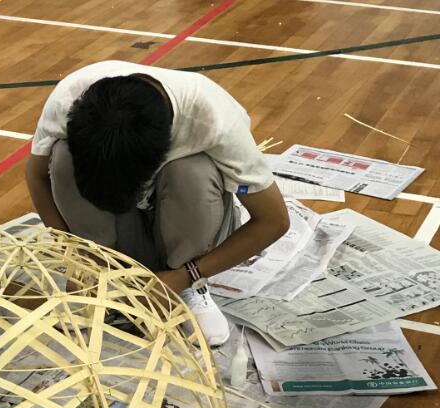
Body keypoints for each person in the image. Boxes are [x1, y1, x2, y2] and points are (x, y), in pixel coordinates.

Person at [25, 60, 289, 346]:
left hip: (186, 236)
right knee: (63, 156)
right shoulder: (68, 100)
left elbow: (274, 220)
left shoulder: (213, 118)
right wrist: (75, 255)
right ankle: (97, 269)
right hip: (119, 232)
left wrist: (187, 276)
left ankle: (189, 287)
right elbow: (36, 176)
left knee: (192, 169)